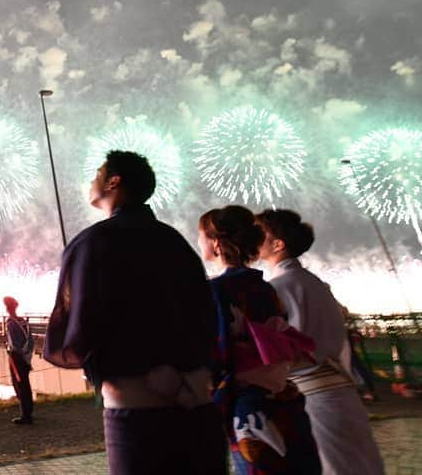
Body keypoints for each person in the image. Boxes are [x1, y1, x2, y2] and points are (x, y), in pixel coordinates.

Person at [43, 150, 226, 474]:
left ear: (114, 182)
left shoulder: (91, 243)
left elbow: (79, 327)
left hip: (136, 411)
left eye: (97, 173)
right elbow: (206, 317)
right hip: (198, 405)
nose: (91, 180)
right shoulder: (174, 241)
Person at [256, 209, 384, 475]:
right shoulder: (314, 283)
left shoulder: (278, 288)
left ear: (278, 244)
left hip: (313, 394)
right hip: (340, 388)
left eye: (260, 233)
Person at [199, 206, 321, 475]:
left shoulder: (215, 291)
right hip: (279, 391)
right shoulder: (265, 288)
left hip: (244, 402)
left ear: (216, 243)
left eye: (202, 235)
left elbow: (216, 350)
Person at [2, 296, 34, 424]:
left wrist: (13, 351)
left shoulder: (10, 323)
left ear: (7, 308)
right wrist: (27, 356)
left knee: (19, 385)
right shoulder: (24, 322)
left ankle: (26, 416)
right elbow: (30, 341)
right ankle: (29, 412)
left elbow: (14, 344)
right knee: (26, 385)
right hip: (25, 357)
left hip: (16, 358)